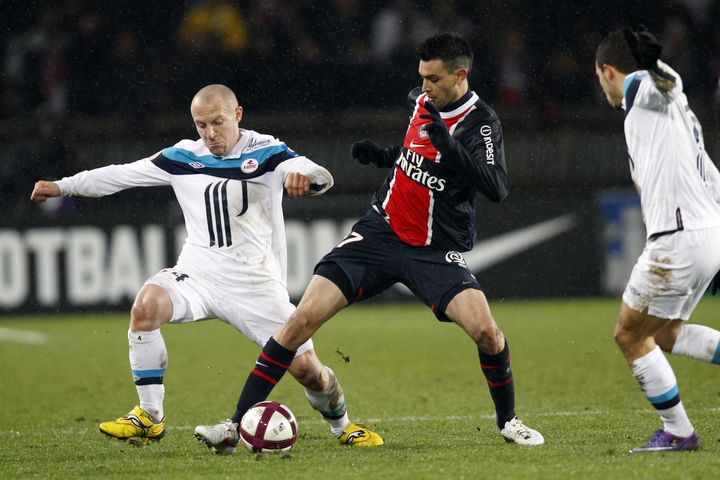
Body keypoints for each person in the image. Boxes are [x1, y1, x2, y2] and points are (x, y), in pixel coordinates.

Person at [195, 33, 544, 449]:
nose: (425, 86)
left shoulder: (481, 122)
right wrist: (384, 155)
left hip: (432, 250)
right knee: (300, 320)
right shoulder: (422, 102)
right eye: (422, 77)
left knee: (488, 333)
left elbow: (496, 186)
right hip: (377, 234)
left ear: (460, 75)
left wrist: (449, 145)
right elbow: (415, 153)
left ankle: (509, 421)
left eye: (433, 78)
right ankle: (233, 426)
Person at [30, 84, 382, 453]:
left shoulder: (266, 151)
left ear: (238, 115)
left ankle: (343, 426)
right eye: (201, 125)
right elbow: (121, 174)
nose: (210, 133)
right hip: (198, 273)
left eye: (217, 122)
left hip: (255, 284)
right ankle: (149, 416)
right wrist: (62, 186)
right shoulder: (182, 156)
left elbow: (316, 173)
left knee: (308, 371)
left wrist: (308, 179)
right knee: (146, 306)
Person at [595, 27, 720, 453]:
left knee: (629, 336)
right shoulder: (679, 113)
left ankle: (679, 432)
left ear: (608, 70)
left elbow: (661, 84)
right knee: (666, 333)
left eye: (600, 77)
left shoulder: (648, 91)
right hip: (708, 233)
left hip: (679, 239)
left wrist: (653, 64)